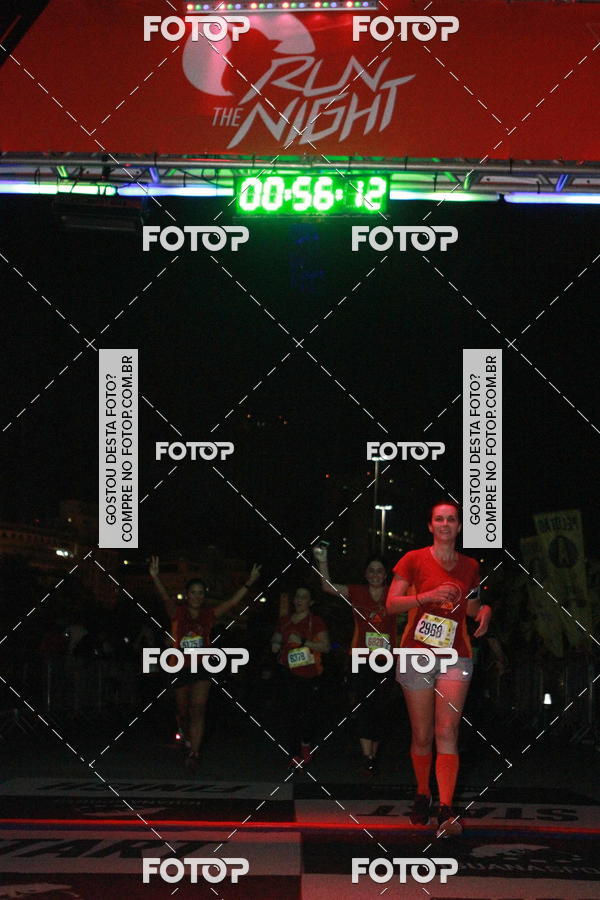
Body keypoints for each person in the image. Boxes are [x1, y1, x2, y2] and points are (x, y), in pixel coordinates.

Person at [386, 501, 492, 837]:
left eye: (451, 519)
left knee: (447, 731)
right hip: (417, 653)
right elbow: (391, 604)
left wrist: (484, 611)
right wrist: (425, 596)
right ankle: (423, 793)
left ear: (459, 526)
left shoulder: (470, 565)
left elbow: (472, 606)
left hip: (455, 654)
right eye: (439, 519)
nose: (445, 524)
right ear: (430, 526)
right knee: (422, 734)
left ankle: (446, 808)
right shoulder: (413, 559)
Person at [150, 556, 261, 769]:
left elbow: (231, 603)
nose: (197, 596)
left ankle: (194, 753)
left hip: (202, 666)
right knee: (184, 710)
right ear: (187, 594)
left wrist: (249, 582)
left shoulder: (208, 614)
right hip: (180, 665)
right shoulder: (178, 613)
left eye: (201, 593)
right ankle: (183, 730)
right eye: (193, 592)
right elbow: (165, 598)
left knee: (198, 708)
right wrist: (155, 577)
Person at [313, 546, 396, 775]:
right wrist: (323, 561)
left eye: (380, 571)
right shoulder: (357, 591)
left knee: (380, 707)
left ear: (385, 575)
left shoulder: (395, 594)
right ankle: (367, 756)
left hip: (387, 659)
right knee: (364, 705)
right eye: (371, 570)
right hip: (361, 658)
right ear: (365, 574)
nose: (375, 574)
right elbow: (327, 586)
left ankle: (373, 756)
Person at [271, 586, 330, 768]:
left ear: (310, 602)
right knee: (291, 714)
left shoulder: (315, 621)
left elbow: (326, 647)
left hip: (310, 675)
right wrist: (275, 644)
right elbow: (276, 638)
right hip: (288, 673)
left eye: (304, 597)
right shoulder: (285, 620)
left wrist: (303, 641)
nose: (299, 600)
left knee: (308, 715)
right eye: (297, 596)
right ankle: (295, 754)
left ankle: (306, 743)